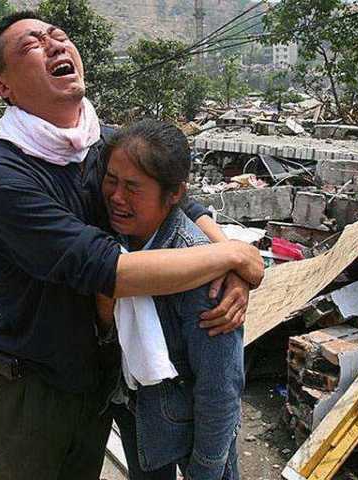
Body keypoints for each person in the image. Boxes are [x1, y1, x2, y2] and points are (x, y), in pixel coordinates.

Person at [0, 11, 263, 480]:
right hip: (35, 386)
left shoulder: (101, 143)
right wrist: (233, 255)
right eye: (31, 45)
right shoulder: (4, 176)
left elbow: (180, 199)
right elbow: (109, 271)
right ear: (4, 87)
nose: (54, 44)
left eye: (58, 36)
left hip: (101, 379)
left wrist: (234, 271)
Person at [98, 119, 244, 480]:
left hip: (193, 423)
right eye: (112, 180)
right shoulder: (115, 240)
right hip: (138, 411)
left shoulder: (202, 272)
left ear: (175, 193)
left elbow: (219, 388)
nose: (117, 197)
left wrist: (206, 468)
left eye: (133, 187)